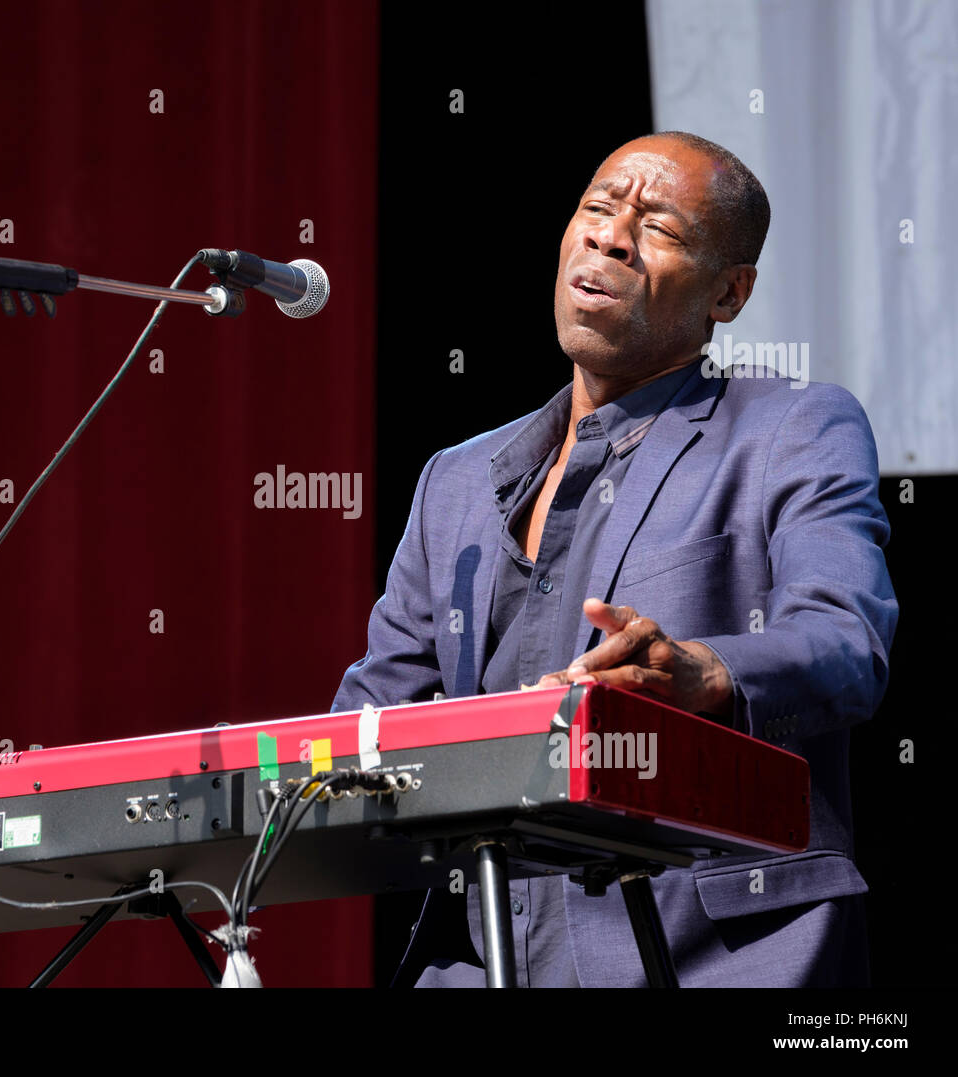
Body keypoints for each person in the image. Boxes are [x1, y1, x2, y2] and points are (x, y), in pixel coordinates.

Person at [332, 131, 898, 987]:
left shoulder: (793, 428)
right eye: (597, 207)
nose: (610, 236)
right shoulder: (455, 481)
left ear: (730, 293)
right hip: (481, 963)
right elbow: (368, 723)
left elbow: (846, 644)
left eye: (658, 226)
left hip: (713, 962)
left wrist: (702, 671)